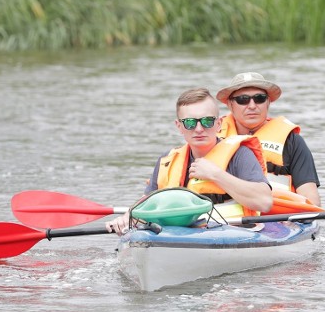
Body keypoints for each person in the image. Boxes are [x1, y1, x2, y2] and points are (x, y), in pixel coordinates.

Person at [108, 87, 272, 234]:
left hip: (233, 233)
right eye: (190, 123)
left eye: (207, 121)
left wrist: (215, 174)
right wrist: (127, 218)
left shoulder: (240, 155)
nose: (199, 129)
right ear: (179, 126)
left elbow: (264, 202)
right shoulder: (168, 160)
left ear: (219, 123)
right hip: (180, 237)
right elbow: (148, 205)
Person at [215, 72, 321, 206]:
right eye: (243, 99)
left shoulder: (292, 142)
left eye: (259, 98)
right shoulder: (211, 139)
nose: (252, 105)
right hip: (224, 221)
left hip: (280, 219)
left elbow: (311, 199)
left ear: (268, 102)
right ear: (230, 104)